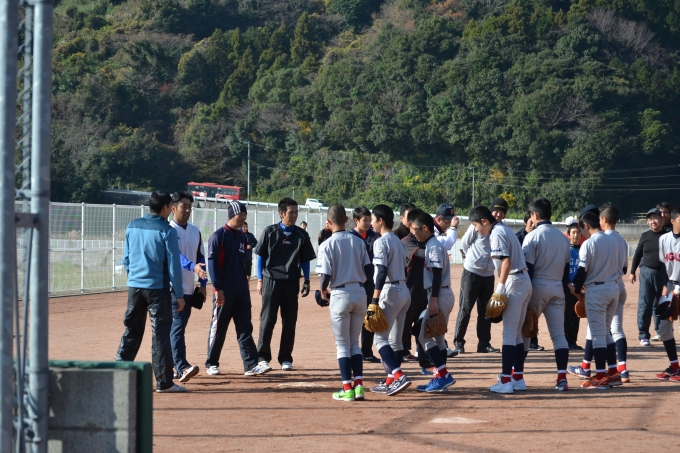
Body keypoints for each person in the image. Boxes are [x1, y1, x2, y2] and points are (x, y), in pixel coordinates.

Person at [116, 191, 186, 393]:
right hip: (158, 290)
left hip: (135, 288)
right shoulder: (167, 231)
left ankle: (117, 373)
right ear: (165, 207)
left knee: (132, 330)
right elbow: (173, 266)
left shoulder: (132, 226)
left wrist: (134, 277)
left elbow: (126, 258)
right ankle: (164, 382)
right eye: (170, 206)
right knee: (160, 335)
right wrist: (179, 294)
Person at [469, 205, 532, 394]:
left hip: (513, 281)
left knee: (509, 334)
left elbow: (506, 261)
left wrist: (500, 287)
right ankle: (517, 378)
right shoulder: (504, 229)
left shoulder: (496, 233)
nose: (476, 229)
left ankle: (505, 381)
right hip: (524, 281)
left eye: (475, 225)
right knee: (517, 334)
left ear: (484, 221)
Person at [205, 201, 269, 377]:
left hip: (241, 291)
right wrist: (218, 289)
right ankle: (211, 363)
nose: (243, 218)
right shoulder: (218, 236)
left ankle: (250, 365)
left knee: (245, 328)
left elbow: (244, 263)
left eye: (245, 214)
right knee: (219, 329)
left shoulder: (242, 237)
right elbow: (213, 266)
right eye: (241, 214)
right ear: (232, 215)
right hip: (224, 292)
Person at [316, 204, 372, 401]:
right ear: (347, 220)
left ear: (329, 221)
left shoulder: (327, 244)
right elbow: (369, 270)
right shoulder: (358, 241)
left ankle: (347, 389)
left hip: (340, 293)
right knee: (354, 343)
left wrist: (323, 292)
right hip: (360, 292)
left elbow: (325, 275)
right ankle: (359, 387)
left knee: (342, 344)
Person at [255, 198, 316, 372]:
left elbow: (305, 260)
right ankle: (262, 357)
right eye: (291, 212)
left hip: (291, 282)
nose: (294, 215)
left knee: (289, 322)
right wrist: (259, 280)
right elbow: (260, 257)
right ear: (281, 213)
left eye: (296, 212)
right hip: (271, 280)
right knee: (267, 320)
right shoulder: (270, 232)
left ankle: (285, 358)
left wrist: (307, 280)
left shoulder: (301, 235)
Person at [521, 198, 571, 391]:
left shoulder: (532, 236)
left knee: (525, 332)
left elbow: (529, 269)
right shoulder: (563, 238)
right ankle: (562, 378)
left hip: (537, 286)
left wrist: (525, 295)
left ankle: (517, 375)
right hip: (557, 287)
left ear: (535, 215)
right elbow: (566, 272)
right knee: (559, 335)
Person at [567, 211, 620, 389]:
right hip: (613, 288)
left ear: (586, 226)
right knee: (605, 332)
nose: (581, 232)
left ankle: (600, 377)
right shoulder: (613, 240)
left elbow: (582, 271)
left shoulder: (588, 243)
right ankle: (613, 373)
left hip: (597, 291)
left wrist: (576, 289)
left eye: (581, 228)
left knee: (597, 335)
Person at [410, 210, 456, 393]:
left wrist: (433, 300)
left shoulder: (434, 246)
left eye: (415, 229)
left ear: (425, 228)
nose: (414, 232)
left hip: (439, 295)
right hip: (442, 293)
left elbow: (436, 274)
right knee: (437, 337)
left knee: (424, 337)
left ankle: (443, 375)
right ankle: (441, 378)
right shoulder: (432, 244)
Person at [368, 204, 412, 396]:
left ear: (381, 220)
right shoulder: (397, 241)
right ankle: (390, 381)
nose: (371, 223)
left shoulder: (381, 242)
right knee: (395, 341)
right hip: (403, 290)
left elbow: (382, 271)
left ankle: (398, 376)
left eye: (373, 219)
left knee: (379, 339)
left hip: (390, 290)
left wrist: (374, 299)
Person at [169, 192, 207, 384]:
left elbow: (201, 257)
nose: (187, 210)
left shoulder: (195, 231)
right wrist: (193, 267)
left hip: (189, 289)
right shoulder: (168, 230)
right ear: (173, 208)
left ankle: (170, 366)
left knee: (178, 328)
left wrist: (203, 284)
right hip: (172, 288)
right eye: (184, 206)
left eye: (189, 207)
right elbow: (175, 256)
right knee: (177, 327)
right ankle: (181, 365)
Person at [452, 204, 499, 356]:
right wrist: (472, 259)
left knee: (486, 311)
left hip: (489, 275)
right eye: (495, 211)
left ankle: (484, 343)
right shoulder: (477, 226)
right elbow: (465, 243)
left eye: (501, 212)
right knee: (465, 308)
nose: (498, 214)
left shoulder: (499, 230)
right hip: (471, 273)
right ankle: (459, 342)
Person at [401, 209, 438, 373]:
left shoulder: (427, 242)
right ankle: (397, 363)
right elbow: (422, 255)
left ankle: (425, 362)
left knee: (422, 330)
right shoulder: (406, 241)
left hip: (423, 294)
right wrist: (437, 250)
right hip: (410, 292)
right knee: (403, 329)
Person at [600, 205, 630, 383]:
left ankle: (602, 368)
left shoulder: (603, 239)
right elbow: (625, 269)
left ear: (604, 220)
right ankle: (623, 369)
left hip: (606, 286)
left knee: (602, 329)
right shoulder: (622, 240)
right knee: (617, 330)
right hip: (620, 285)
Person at [630, 208, 666, 346]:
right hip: (646, 273)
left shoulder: (667, 236)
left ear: (661, 219)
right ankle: (643, 335)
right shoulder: (645, 236)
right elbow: (638, 254)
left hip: (663, 274)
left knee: (661, 304)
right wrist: (632, 271)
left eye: (655, 218)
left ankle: (661, 331)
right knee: (645, 304)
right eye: (650, 219)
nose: (653, 221)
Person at [349, 206, 381, 362]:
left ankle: (366, 351)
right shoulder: (349, 237)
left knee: (370, 316)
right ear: (356, 220)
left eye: (369, 220)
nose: (368, 223)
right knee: (353, 318)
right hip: (354, 283)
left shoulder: (375, 237)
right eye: (365, 220)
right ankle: (351, 350)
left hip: (370, 284)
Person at [654, 207, 680, 382]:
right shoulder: (664, 239)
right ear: (673, 221)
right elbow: (663, 265)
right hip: (669, 285)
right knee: (664, 328)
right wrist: (664, 286)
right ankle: (675, 367)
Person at [516, 210, 543, 351]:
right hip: (521, 279)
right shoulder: (518, 237)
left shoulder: (538, 236)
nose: (533, 225)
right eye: (530, 223)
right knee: (523, 312)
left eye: (534, 223)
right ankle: (521, 341)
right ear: (525, 223)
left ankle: (533, 341)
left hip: (536, 278)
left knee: (532, 313)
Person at [564, 222, 583, 350]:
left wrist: (581, 287)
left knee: (577, 315)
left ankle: (572, 341)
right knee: (567, 315)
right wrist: (571, 287)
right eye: (573, 233)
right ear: (569, 235)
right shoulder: (566, 250)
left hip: (580, 288)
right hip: (568, 288)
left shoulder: (584, 250)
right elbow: (563, 272)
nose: (576, 235)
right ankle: (564, 341)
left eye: (578, 232)